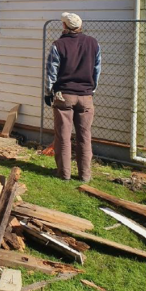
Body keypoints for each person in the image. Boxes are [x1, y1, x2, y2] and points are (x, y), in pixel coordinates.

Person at [45, 12, 101, 182]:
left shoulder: (58, 45)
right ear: (80, 26)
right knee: (85, 136)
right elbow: (97, 70)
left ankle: (64, 174)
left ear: (64, 26)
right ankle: (85, 176)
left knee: (63, 136)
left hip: (64, 96)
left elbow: (51, 72)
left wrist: (49, 92)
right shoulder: (93, 43)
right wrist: (91, 90)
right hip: (86, 97)